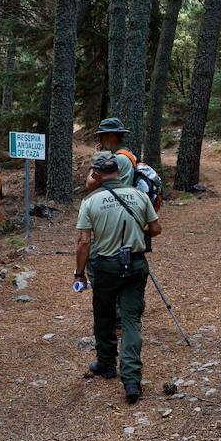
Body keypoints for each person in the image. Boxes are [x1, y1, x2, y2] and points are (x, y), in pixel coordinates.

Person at [75, 151, 160, 404]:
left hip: (106, 267)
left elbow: (83, 242)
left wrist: (79, 273)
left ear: (98, 174)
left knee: (104, 314)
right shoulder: (138, 195)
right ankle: (132, 380)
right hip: (135, 264)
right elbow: (155, 229)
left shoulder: (91, 201)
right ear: (119, 172)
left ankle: (107, 363)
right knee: (131, 319)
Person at [94, 117, 135, 185]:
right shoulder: (128, 154)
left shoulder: (117, 159)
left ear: (111, 136)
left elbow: (90, 185)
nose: (100, 141)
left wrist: (96, 157)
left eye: (101, 136)